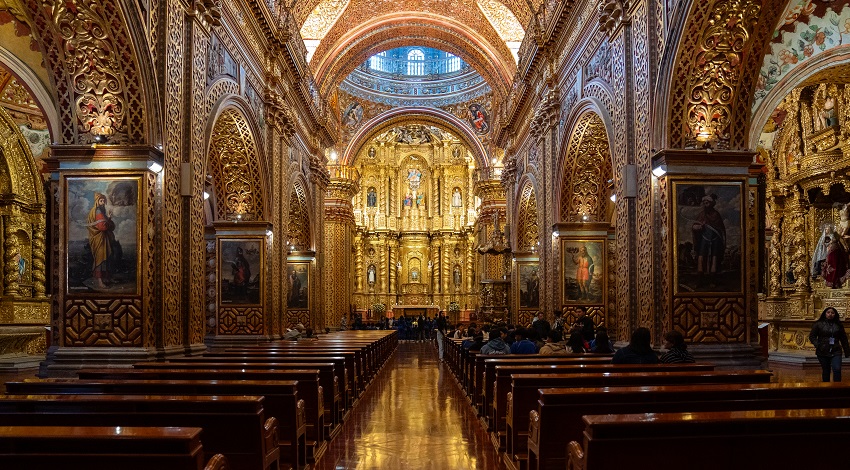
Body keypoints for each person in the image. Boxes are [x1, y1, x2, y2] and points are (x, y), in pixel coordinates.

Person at [809, 306, 850, 382]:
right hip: (822, 350)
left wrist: (847, 352)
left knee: (837, 369)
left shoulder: (838, 325)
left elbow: (844, 339)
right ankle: (826, 388)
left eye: (832, 313)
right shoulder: (818, 324)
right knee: (826, 370)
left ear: (835, 314)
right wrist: (817, 345)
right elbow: (812, 336)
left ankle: (837, 388)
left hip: (836, 350)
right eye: (828, 312)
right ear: (825, 313)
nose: (830, 314)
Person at [88, 192, 119, 289]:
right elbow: (102, 227)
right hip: (99, 239)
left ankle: (106, 278)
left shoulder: (101, 212)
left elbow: (106, 225)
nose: (103, 203)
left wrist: (108, 219)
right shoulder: (97, 211)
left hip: (103, 238)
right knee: (100, 259)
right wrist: (108, 221)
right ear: (97, 202)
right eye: (101, 201)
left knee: (105, 258)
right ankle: (100, 281)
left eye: (103, 201)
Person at [692, 194, 726, 282]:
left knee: (714, 256)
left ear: (711, 203)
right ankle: (700, 276)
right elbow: (694, 226)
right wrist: (698, 227)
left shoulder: (716, 215)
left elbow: (721, 229)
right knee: (701, 255)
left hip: (715, 239)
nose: (705, 204)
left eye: (707, 203)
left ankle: (713, 276)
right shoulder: (702, 214)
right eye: (704, 203)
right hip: (704, 238)